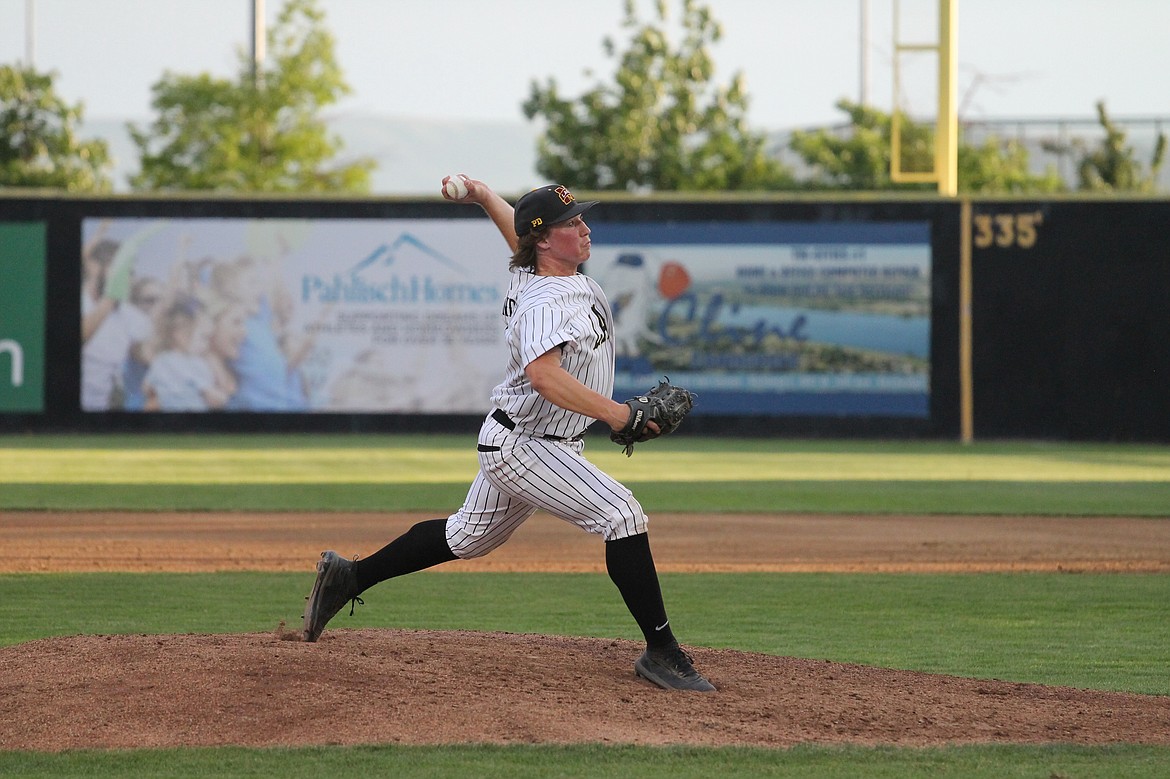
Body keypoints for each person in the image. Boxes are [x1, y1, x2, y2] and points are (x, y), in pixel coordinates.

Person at [302, 176, 716, 692]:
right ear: (545, 241)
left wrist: (483, 196)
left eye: (582, 218)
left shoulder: (542, 276)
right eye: (572, 223)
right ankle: (662, 652)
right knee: (622, 514)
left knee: (465, 537)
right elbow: (544, 377)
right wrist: (617, 415)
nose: (585, 229)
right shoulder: (545, 300)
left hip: (528, 439)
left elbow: (517, 235)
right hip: (525, 446)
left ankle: (349, 577)